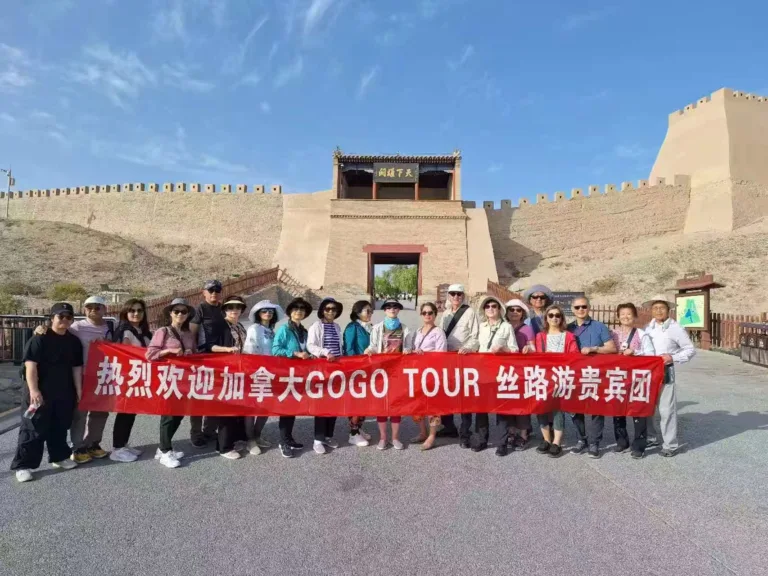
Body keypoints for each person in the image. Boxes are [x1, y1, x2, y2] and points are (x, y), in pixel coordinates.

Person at [11, 303, 83, 483]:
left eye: (68, 317)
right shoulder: (39, 339)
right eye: (61, 316)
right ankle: (23, 465)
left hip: (64, 391)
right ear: (52, 318)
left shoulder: (73, 341)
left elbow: (76, 368)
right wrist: (34, 390)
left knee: (59, 426)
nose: (64, 320)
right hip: (38, 392)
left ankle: (59, 457)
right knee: (33, 428)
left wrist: (79, 390)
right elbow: (30, 366)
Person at [642, 294, 696, 458]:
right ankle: (651, 437)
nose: (659, 311)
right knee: (648, 408)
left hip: (665, 371)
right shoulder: (648, 327)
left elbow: (690, 349)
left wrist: (673, 357)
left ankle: (670, 444)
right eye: (655, 308)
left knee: (667, 410)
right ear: (651, 310)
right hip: (648, 372)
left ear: (668, 310)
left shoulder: (675, 328)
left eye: (662, 308)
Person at [146, 298, 197, 469]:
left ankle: (163, 448)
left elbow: (194, 353)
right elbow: (150, 354)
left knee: (179, 413)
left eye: (184, 311)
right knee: (168, 414)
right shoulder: (163, 331)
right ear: (170, 313)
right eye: (177, 311)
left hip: (185, 379)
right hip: (168, 377)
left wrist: (190, 352)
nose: (180, 314)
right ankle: (165, 451)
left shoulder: (189, 333)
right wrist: (168, 351)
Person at [567, 296, 617, 458]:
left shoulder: (599, 327)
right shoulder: (568, 328)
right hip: (574, 374)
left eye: (584, 306)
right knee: (574, 409)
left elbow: (611, 348)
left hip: (594, 373)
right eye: (577, 307)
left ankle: (595, 442)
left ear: (589, 308)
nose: (580, 310)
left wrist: (594, 348)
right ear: (572, 309)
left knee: (596, 409)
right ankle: (582, 439)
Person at [69, 295, 116, 464]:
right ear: (84, 309)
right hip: (82, 374)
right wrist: (41, 330)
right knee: (80, 412)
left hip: (103, 375)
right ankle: (78, 446)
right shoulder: (76, 327)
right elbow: (57, 334)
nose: (93, 310)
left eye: (97, 307)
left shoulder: (111, 326)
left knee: (101, 412)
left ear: (105, 309)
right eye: (89, 307)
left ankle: (93, 443)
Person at [610, 303, 656, 458]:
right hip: (618, 377)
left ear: (634, 316)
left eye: (629, 314)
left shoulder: (642, 334)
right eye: (622, 314)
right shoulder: (612, 334)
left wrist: (635, 352)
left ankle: (639, 445)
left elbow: (651, 355)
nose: (625, 317)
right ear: (618, 316)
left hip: (638, 379)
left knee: (638, 411)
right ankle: (622, 441)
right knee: (617, 411)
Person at [365, 298, 412, 450]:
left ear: (398, 310)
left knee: (396, 405)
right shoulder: (378, 328)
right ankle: (383, 438)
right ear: (384, 310)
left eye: (395, 307)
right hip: (381, 371)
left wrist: (408, 350)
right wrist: (370, 350)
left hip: (398, 372)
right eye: (389, 307)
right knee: (382, 405)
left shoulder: (405, 329)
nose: (392, 309)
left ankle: (395, 438)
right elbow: (372, 345)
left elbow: (409, 346)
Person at [109, 298, 152, 463]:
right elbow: (127, 354)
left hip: (139, 377)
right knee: (125, 412)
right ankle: (117, 448)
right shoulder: (125, 331)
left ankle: (124, 443)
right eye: (132, 310)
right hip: (128, 378)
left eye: (139, 310)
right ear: (125, 313)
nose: (136, 313)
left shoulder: (143, 331)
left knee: (131, 411)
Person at [533, 304, 578, 458]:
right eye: (551, 315)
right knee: (541, 408)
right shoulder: (540, 336)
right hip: (543, 376)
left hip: (560, 376)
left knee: (558, 409)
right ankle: (546, 439)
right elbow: (537, 356)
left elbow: (574, 356)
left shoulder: (569, 336)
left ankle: (557, 442)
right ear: (546, 318)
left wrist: (560, 358)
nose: (554, 318)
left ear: (562, 318)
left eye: (557, 315)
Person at [272, 297, 313, 459]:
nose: (299, 311)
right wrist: (295, 353)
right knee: (286, 409)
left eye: (302, 309)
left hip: (300, 375)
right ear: (290, 312)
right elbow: (275, 350)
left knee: (293, 408)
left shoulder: (304, 331)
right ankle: (283, 441)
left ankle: (289, 438)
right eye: (296, 309)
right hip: (286, 373)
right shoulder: (284, 329)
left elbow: (307, 349)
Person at [437, 283, 479, 439]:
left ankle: (465, 430)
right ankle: (448, 426)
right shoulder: (446, 313)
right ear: (449, 295)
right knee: (446, 391)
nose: (456, 297)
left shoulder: (469, 312)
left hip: (463, 357)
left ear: (463, 296)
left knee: (464, 393)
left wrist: (469, 348)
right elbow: (440, 334)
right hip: (447, 357)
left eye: (459, 294)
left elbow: (475, 335)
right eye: (453, 294)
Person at [242, 299, 284, 455]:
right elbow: (250, 351)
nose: (268, 313)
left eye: (270, 311)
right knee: (253, 407)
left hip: (271, 373)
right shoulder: (254, 329)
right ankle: (250, 440)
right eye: (264, 311)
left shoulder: (272, 330)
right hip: (257, 372)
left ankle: (258, 435)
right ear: (258, 314)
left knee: (266, 407)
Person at [209, 295, 249, 460]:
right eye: (231, 307)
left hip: (239, 372)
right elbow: (209, 346)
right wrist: (226, 350)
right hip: (224, 372)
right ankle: (224, 447)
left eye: (238, 307)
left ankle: (234, 440)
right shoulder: (219, 325)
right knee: (227, 409)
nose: (234, 310)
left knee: (237, 408)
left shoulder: (239, 325)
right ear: (225, 309)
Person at [189, 279, 227, 447]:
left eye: (217, 290)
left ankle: (209, 431)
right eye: (210, 290)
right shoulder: (200, 309)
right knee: (199, 397)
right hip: (203, 359)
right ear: (203, 292)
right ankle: (196, 434)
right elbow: (192, 334)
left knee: (216, 397)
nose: (214, 293)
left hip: (221, 359)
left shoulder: (222, 309)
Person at [475, 296, 514, 454]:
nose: (490, 308)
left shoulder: (507, 327)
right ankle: (482, 439)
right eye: (487, 306)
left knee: (501, 408)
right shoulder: (482, 326)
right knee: (481, 407)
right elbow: (477, 346)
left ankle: (502, 443)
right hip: (483, 371)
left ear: (499, 309)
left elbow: (514, 349)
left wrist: (503, 349)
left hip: (500, 372)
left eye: (494, 306)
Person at [307, 297, 344, 455]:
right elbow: (310, 345)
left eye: (333, 309)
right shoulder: (317, 326)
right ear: (322, 310)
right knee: (322, 405)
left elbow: (339, 347)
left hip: (336, 370)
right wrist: (324, 352)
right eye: (327, 309)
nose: (330, 312)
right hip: (322, 369)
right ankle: (318, 439)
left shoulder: (336, 326)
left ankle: (328, 435)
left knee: (334, 404)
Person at [410, 301, 447, 451]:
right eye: (424, 313)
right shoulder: (418, 331)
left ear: (434, 315)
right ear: (421, 315)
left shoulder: (438, 332)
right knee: (418, 404)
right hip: (418, 372)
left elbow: (442, 354)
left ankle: (432, 436)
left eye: (430, 313)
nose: (427, 315)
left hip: (432, 372)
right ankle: (422, 432)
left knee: (432, 405)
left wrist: (424, 355)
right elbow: (413, 349)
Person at [502, 298, 536, 450]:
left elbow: (534, 347)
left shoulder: (527, 329)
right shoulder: (503, 326)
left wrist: (529, 349)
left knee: (522, 403)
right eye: (511, 309)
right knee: (508, 402)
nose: (514, 312)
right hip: (505, 370)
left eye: (518, 310)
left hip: (522, 370)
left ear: (522, 313)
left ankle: (523, 434)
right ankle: (511, 432)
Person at [342, 300, 374, 447]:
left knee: (365, 401)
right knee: (356, 401)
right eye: (367, 311)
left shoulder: (371, 327)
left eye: (371, 311)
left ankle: (359, 429)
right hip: (356, 370)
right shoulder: (352, 327)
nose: (370, 313)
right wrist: (354, 367)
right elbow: (349, 349)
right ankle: (353, 433)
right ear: (357, 312)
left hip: (369, 369)